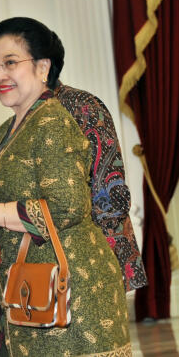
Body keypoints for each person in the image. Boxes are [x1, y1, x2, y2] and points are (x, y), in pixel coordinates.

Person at [0, 17, 131, 356]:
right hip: (21, 291)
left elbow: (67, 206)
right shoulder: (4, 132)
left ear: (43, 67)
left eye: (11, 62)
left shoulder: (53, 121)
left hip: (69, 297)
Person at [55, 82, 147, 291]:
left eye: (11, 65)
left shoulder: (81, 105)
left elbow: (111, 193)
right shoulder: (18, 122)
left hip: (92, 260)